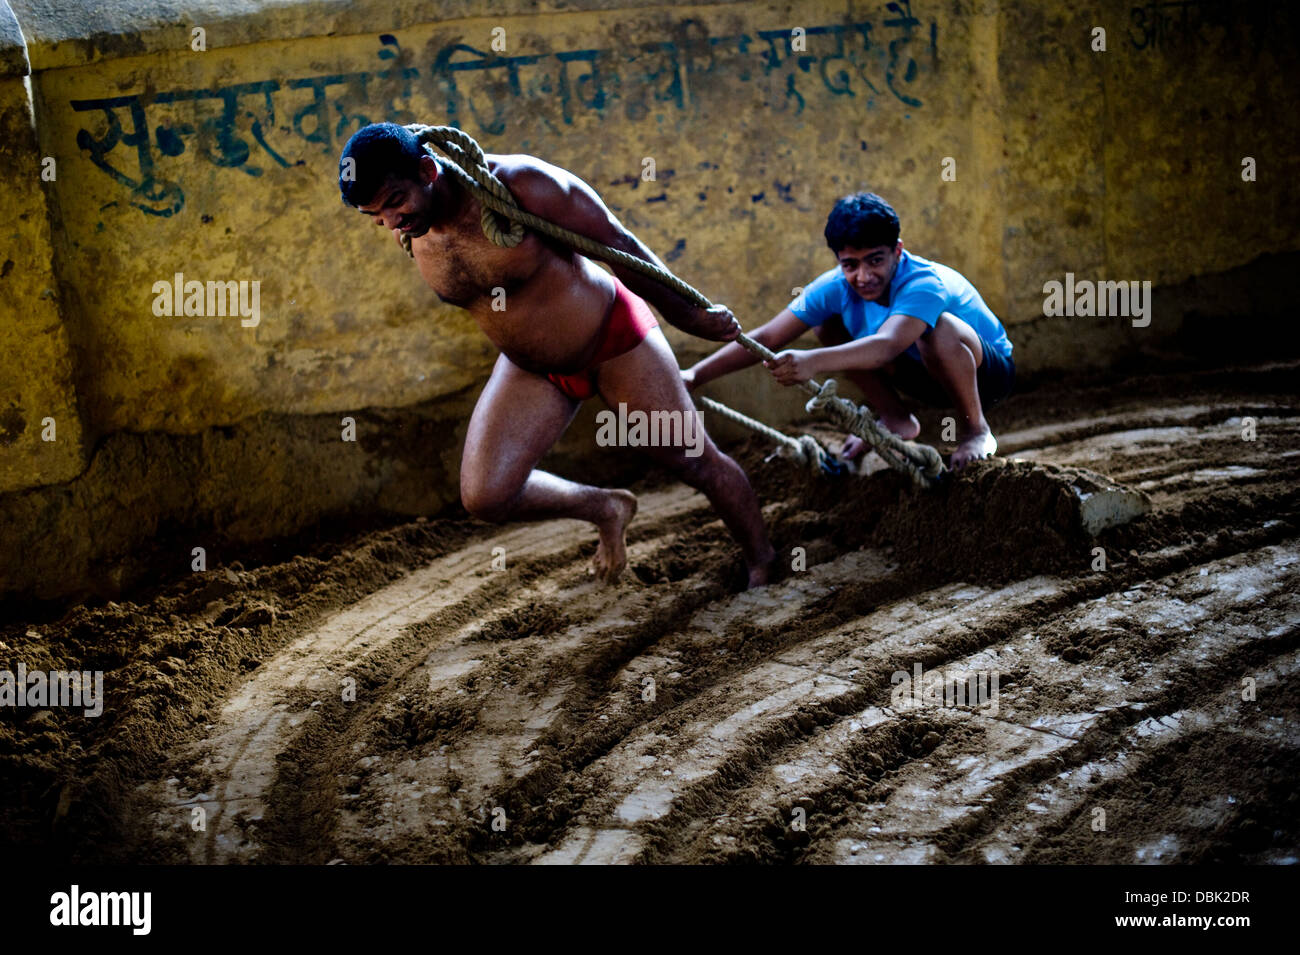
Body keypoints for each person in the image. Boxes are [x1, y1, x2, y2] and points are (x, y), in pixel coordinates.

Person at [338, 123, 775, 586]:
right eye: (374, 215)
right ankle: (605, 507)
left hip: (614, 342)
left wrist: (689, 316)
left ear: (427, 170)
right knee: (486, 496)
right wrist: (398, 212)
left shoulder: (522, 185)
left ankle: (762, 560)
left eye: (393, 202)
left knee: (691, 459)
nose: (388, 221)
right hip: (533, 369)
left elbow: (620, 245)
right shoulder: (411, 226)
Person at [682, 192, 1015, 469]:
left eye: (875, 260)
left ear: (897, 251)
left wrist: (812, 362)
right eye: (850, 264)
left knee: (939, 328)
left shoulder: (925, 283)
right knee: (827, 324)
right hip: (921, 378)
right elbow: (769, 337)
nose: (863, 276)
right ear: (839, 260)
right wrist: (695, 375)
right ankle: (895, 418)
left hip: (987, 377)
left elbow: (885, 346)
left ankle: (976, 430)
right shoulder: (835, 286)